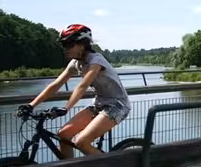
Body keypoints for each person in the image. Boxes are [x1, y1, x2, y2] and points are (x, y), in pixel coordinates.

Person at [16, 24, 131, 159]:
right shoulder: (75, 63)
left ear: (82, 45)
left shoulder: (96, 61)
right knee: (64, 135)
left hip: (118, 105)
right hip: (99, 103)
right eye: (63, 45)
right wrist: (31, 105)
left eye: (69, 45)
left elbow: (83, 85)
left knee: (82, 141)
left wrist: (66, 108)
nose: (65, 49)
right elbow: (56, 85)